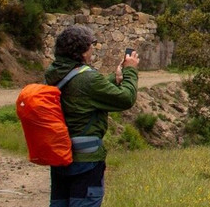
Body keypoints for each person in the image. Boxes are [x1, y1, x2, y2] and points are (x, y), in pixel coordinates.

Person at [45, 24, 139, 207]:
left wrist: (114, 78)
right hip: (85, 161)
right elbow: (126, 99)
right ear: (81, 52)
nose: (91, 52)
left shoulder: (53, 73)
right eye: (90, 47)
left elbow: (80, 92)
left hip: (59, 154)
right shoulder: (87, 78)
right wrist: (130, 71)